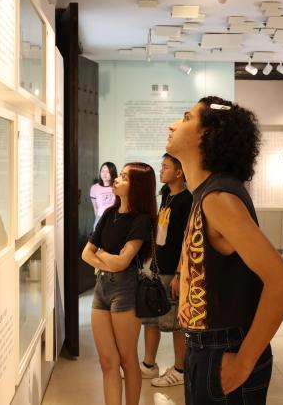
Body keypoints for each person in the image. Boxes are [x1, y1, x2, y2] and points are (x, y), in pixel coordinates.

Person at [166, 96, 283, 405]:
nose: (173, 125)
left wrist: (244, 361)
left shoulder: (218, 198)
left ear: (207, 133)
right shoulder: (207, 194)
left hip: (222, 349)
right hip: (207, 346)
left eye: (186, 118)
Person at [81, 162, 157, 405]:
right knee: (107, 362)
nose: (116, 179)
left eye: (124, 177)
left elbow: (123, 262)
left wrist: (101, 254)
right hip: (101, 288)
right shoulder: (108, 214)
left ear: (137, 186)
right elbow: (85, 254)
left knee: (127, 359)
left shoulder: (141, 220)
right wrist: (108, 259)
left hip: (126, 289)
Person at [138, 154, 192, 387]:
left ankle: (180, 369)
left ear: (179, 173)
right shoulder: (166, 195)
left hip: (173, 270)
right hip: (157, 268)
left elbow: (187, 241)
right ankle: (149, 365)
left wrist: (179, 274)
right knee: (151, 319)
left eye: (165, 167)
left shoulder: (187, 201)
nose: (161, 170)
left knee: (176, 323)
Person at [91, 162, 118, 229]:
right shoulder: (94, 188)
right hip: (100, 218)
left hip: (114, 219)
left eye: (107, 172)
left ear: (112, 173)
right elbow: (95, 208)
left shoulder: (117, 186)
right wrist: (98, 220)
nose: (104, 174)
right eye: (102, 171)